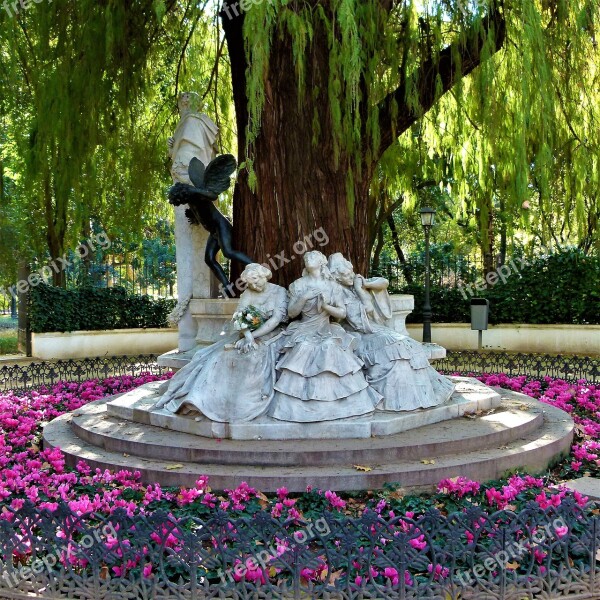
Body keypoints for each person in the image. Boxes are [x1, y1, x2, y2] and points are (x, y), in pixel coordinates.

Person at [154, 264, 287, 422]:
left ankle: (234, 408)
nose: (254, 285)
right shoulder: (248, 293)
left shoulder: (279, 292)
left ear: (264, 275)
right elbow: (239, 317)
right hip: (246, 335)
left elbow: (275, 320)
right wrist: (246, 335)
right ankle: (201, 402)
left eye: (256, 280)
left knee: (250, 358)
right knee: (214, 357)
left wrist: (251, 337)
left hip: (271, 335)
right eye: (249, 283)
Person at [327, 253, 454, 411]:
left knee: (407, 344)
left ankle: (417, 396)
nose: (351, 276)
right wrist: (360, 291)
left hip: (374, 329)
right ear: (337, 277)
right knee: (395, 347)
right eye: (346, 274)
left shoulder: (356, 282)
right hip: (357, 331)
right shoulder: (338, 292)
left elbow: (383, 282)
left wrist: (365, 283)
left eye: (351, 272)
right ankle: (395, 400)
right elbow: (363, 313)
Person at [269, 251, 381, 422]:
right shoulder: (297, 285)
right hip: (304, 328)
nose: (307, 258)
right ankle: (298, 407)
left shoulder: (332, 286)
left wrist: (327, 307)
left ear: (322, 262)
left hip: (326, 327)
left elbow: (342, 313)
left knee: (330, 346)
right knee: (304, 347)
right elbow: (291, 313)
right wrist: (304, 297)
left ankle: (333, 404)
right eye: (306, 257)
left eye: (312, 256)